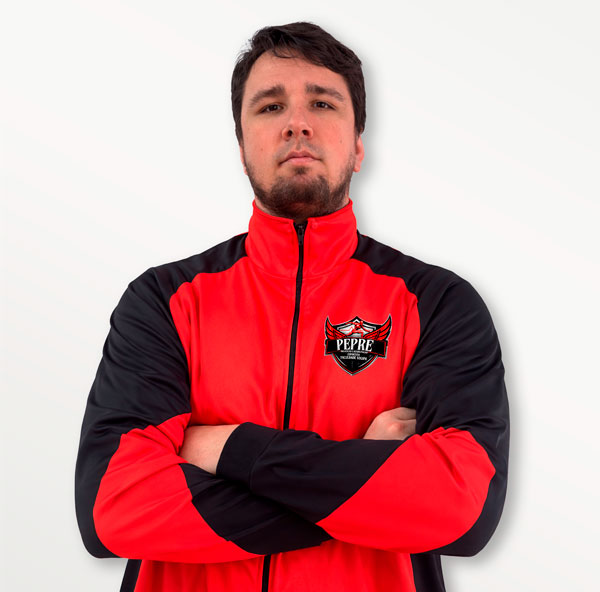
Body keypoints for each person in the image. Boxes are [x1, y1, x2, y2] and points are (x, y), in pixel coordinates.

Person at [75, 21, 509, 592]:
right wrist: (361, 473)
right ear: (242, 148)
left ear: (357, 146)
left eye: (323, 103)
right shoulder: (164, 301)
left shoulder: (437, 303)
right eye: (270, 106)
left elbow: (462, 507)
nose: (296, 123)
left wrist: (223, 446)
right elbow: (112, 508)